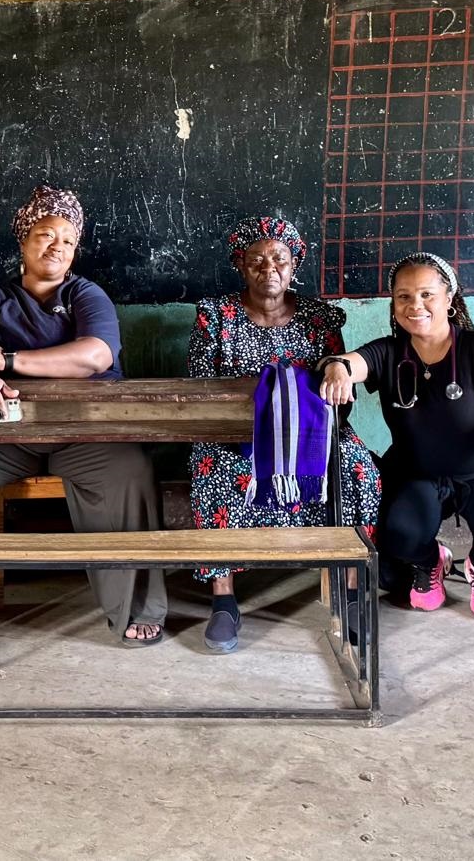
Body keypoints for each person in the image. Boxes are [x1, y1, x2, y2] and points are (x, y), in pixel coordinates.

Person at [0, 184, 168, 651]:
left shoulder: (86, 295)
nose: (57, 246)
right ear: (23, 240)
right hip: (10, 433)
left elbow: (94, 355)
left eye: (68, 240)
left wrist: (7, 360)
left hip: (86, 434)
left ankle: (135, 609)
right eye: (46, 234)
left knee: (132, 469)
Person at [186, 215, 381, 653]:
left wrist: (323, 382)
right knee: (214, 468)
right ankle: (223, 600)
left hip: (310, 433)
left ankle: (348, 587)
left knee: (357, 469)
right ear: (241, 264)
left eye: (279, 258)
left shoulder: (317, 317)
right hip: (236, 434)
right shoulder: (216, 316)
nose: (268, 267)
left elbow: (340, 390)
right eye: (256, 259)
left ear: (294, 266)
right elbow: (200, 386)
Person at [318, 252, 474, 620]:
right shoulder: (389, 352)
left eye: (426, 294)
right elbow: (349, 362)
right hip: (416, 474)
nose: (414, 305)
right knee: (398, 543)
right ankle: (430, 561)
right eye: (403, 296)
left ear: (449, 299)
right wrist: (337, 368)